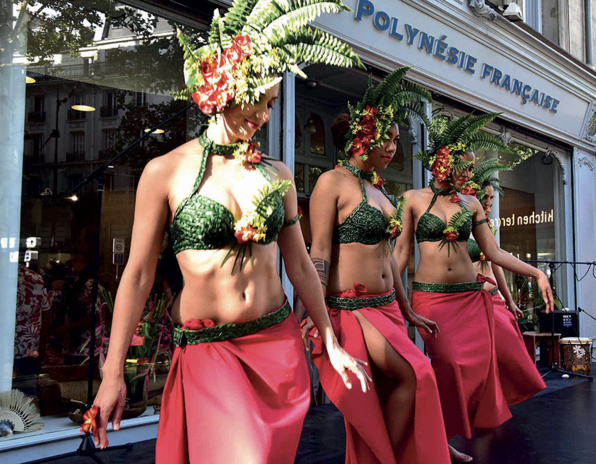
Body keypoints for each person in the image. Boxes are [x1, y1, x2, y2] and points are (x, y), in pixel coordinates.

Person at [89, 2, 371, 462]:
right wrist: (113, 372)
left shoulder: (277, 173)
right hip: (210, 353)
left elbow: (299, 264)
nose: (261, 115)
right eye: (254, 98)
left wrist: (330, 340)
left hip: (276, 347)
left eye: (271, 103)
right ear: (223, 85)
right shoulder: (165, 172)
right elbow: (138, 276)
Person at [299, 66, 449, 463]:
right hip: (355, 309)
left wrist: (408, 310)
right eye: (389, 139)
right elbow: (319, 252)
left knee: (393, 389)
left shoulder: (378, 189)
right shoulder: (331, 182)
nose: (394, 148)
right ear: (364, 136)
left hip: (388, 309)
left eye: (398, 141)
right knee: (416, 375)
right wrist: (313, 314)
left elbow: (386, 258)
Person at [394, 113, 554, 462]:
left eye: (471, 167)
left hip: (470, 298)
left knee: (474, 375)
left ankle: (447, 441)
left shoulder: (471, 204)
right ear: (442, 162)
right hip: (432, 300)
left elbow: (494, 252)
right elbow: (401, 254)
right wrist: (396, 302)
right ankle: (435, 438)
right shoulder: (413, 200)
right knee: (449, 366)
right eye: (463, 166)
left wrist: (536, 274)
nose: (469, 174)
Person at [464, 162, 546, 406]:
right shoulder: (460, 226)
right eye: (486, 197)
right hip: (473, 299)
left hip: (494, 298)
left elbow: (496, 261)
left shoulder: (486, 226)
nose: (489, 202)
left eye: (491, 198)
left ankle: (500, 397)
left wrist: (509, 300)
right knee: (482, 355)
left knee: (510, 348)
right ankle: (482, 401)